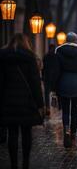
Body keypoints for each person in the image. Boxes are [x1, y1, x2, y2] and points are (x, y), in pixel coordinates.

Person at [0, 33, 44, 169]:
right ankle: (25, 162)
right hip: (26, 101)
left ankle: (13, 164)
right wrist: (40, 104)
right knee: (26, 132)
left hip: (8, 101)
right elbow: (35, 82)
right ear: (26, 43)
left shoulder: (3, 56)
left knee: (12, 133)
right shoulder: (30, 57)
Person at [51, 32, 77, 148]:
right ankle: (73, 136)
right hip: (76, 85)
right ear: (76, 40)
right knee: (74, 112)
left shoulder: (59, 51)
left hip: (63, 84)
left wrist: (53, 88)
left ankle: (66, 131)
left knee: (65, 111)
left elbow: (56, 72)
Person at [42, 44, 57, 115]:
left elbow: (43, 68)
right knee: (55, 91)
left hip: (47, 76)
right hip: (53, 77)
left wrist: (42, 76)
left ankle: (48, 107)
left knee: (47, 93)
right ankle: (54, 105)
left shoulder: (46, 56)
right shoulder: (56, 57)